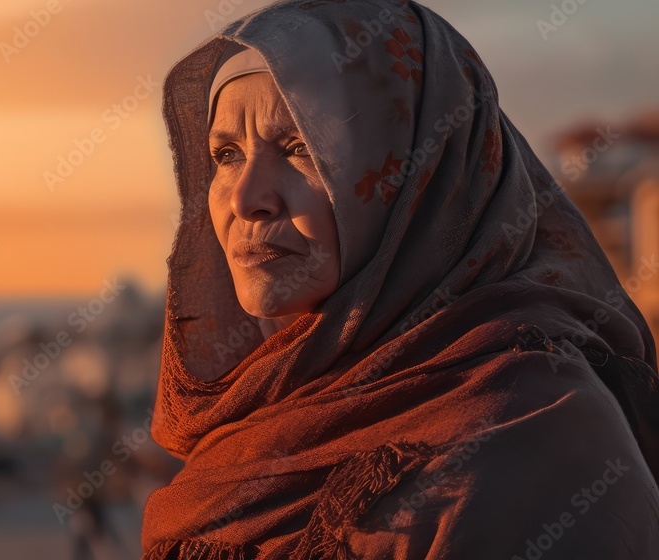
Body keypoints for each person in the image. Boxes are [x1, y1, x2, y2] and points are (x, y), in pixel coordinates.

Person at [141, 1, 659, 558]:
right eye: (226, 154)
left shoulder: (537, 431)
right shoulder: (253, 418)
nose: (247, 199)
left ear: (420, 176)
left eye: (299, 148)